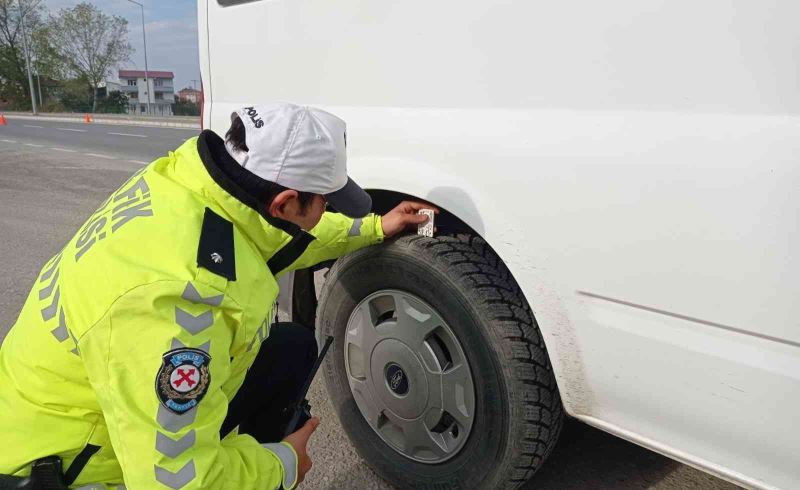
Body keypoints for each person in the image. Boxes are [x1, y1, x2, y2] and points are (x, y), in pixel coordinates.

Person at [0, 103, 434, 489]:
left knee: (290, 347)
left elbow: (283, 236)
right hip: (70, 468)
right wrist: (284, 464)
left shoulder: (186, 184)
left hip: (85, 404)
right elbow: (175, 481)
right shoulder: (179, 306)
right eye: (324, 199)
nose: (328, 209)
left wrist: (374, 227)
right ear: (283, 203)